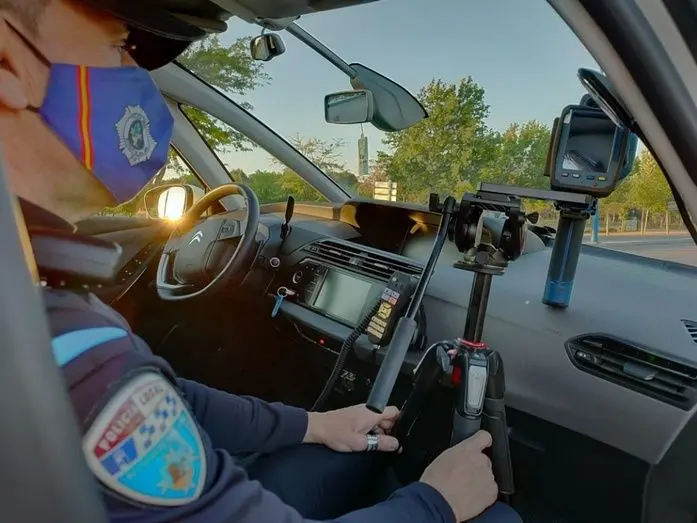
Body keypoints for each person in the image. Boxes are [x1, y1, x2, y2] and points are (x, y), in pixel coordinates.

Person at [0, 1, 522, 522]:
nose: (138, 75)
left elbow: (174, 399)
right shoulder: (70, 349)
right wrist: (435, 503)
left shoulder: (32, 296)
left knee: (340, 455)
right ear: (7, 63)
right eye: (119, 47)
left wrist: (313, 425)